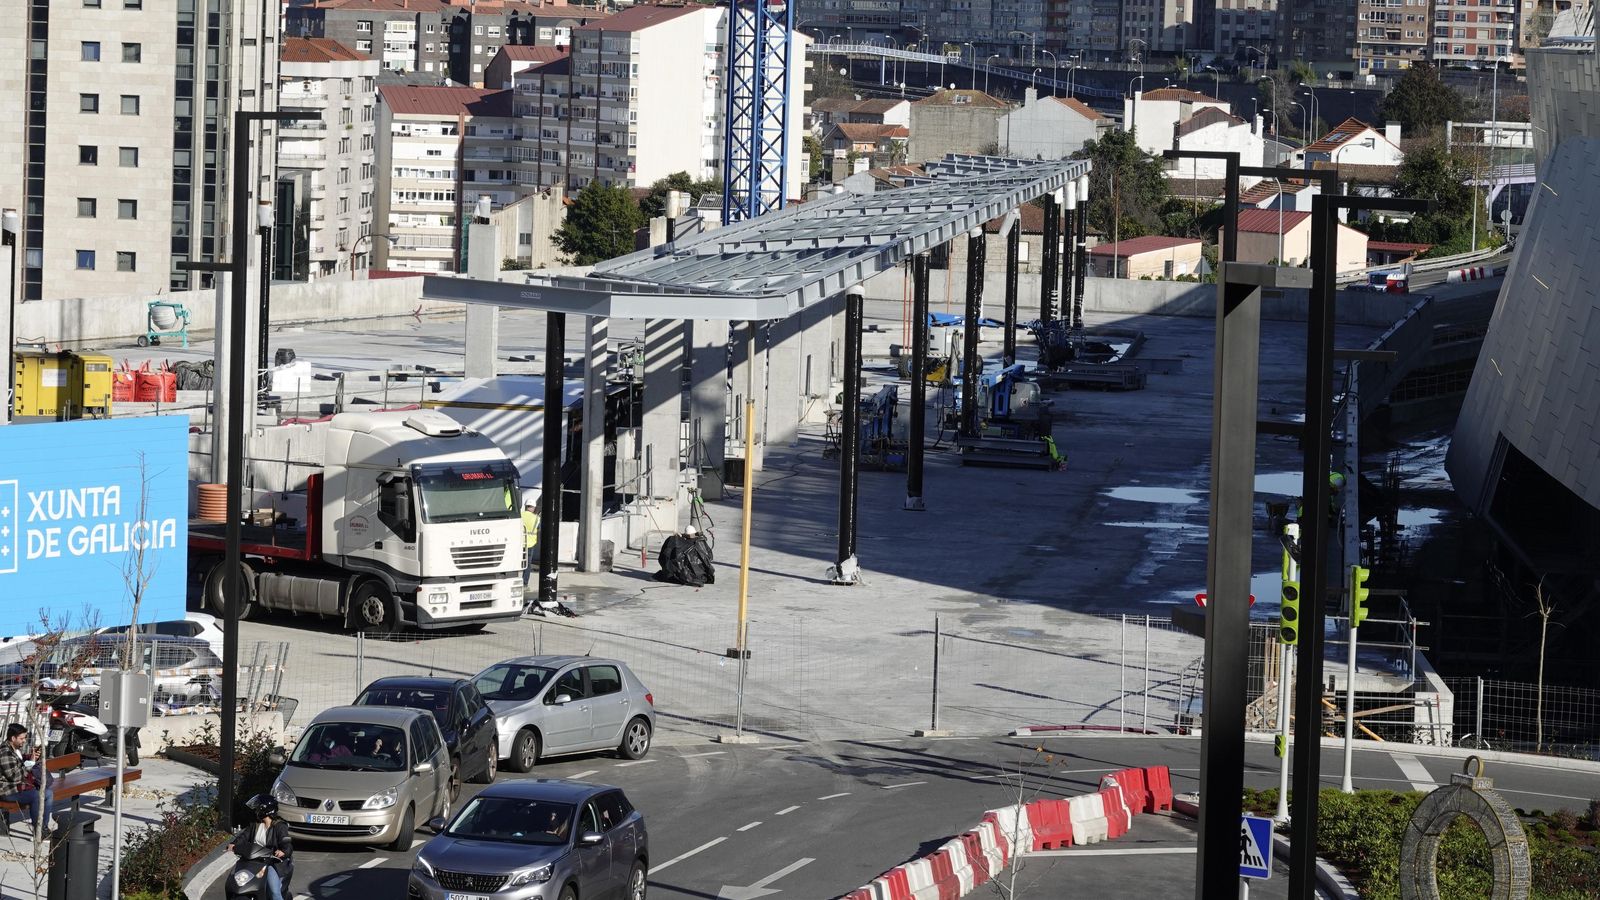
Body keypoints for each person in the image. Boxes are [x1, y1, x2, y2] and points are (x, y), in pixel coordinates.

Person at [227, 794, 293, 900]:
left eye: (258, 807)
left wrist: (283, 851)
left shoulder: (280, 826)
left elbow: (287, 843)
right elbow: (244, 836)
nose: (256, 810)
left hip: (271, 862)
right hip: (252, 860)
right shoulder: (255, 824)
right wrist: (234, 844)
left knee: (274, 892)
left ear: (265, 809)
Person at [0, 723, 53, 832]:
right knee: (36, 795)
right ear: (13, 738)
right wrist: (30, 764)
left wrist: (30, 758)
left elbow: (18, 763)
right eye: (21, 738)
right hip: (7, 791)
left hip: (19, 787)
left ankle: (43, 828)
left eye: (24, 738)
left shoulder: (14, 749)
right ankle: (38, 831)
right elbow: (13, 777)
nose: (24, 741)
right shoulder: (4, 752)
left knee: (48, 793)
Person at [521, 490, 541, 592]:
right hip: (530, 544)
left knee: (517, 563)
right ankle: (524, 583)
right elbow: (539, 528)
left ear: (526, 506)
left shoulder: (520, 516)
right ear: (533, 507)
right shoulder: (536, 518)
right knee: (527, 565)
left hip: (520, 543)